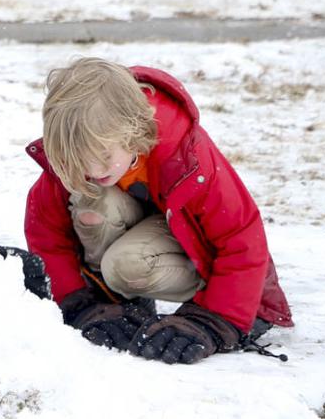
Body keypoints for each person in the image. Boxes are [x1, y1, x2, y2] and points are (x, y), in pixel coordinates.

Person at [23, 58, 294, 364]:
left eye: (103, 156)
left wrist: (217, 318)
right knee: (92, 202)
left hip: (202, 258)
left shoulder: (186, 155)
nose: (92, 169)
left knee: (125, 264)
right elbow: (46, 233)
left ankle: (207, 295)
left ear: (131, 130)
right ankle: (113, 299)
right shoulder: (78, 157)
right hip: (146, 231)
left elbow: (241, 236)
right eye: (79, 159)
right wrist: (77, 301)